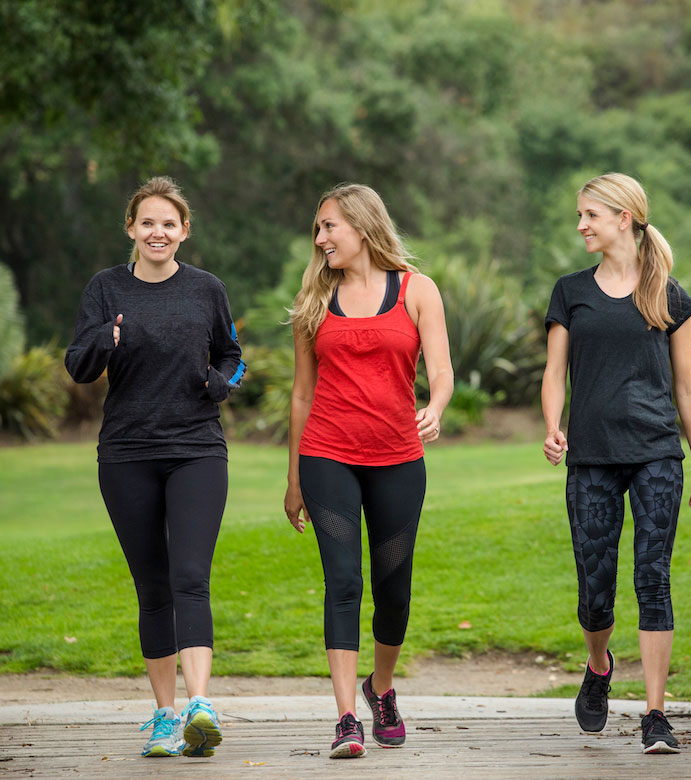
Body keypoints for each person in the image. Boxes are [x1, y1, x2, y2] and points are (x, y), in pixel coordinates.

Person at [65, 176, 245, 759]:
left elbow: (233, 356)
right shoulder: (105, 288)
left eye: (169, 222)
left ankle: (200, 706)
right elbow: (77, 364)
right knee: (153, 588)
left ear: (184, 230)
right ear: (131, 229)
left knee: (191, 575)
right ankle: (164, 717)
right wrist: (105, 340)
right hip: (126, 454)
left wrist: (219, 384)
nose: (158, 231)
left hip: (196, 449)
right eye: (147, 222)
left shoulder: (206, 289)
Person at [541, 172, 691, 754]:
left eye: (590, 214)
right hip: (590, 457)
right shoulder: (570, 290)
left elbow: (687, 388)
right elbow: (554, 373)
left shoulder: (669, 295)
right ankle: (599, 665)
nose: (582, 224)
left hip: (657, 455)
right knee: (595, 590)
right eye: (581, 215)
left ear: (624, 218)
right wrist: (552, 426)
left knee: (653, 578)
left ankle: (655, 714)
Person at [284, 183, 453, 759]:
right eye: (318, 228)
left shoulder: (416, 289)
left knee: (393, 588)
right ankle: (347, 719)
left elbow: (443, 370)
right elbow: (302, 394)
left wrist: (434, 406)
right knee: (343, 581)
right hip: (327, 453)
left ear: (362, 226)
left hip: (398, 458)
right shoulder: (314, 295)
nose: (321, 237)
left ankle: (380, 689)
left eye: (329, 226)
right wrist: (292, 480)